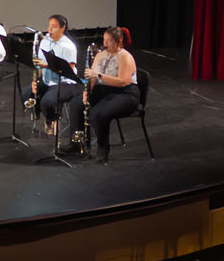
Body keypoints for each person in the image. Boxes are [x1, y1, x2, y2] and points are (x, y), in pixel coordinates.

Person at [82, 26, 142, 165]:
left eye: (108, 41)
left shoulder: (125, 57)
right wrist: (87, 91)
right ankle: (78, 144)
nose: (105, 44)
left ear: (118, 41)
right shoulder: (100, 54)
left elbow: (123, 82)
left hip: (126, 94)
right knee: (77, 104)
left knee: (98, 114)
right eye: (104, 40)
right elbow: (93, 78)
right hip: (107, 91)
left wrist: (97, 75)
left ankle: (103, 149)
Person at [33, 14, 83, 141]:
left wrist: (47, 65)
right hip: (48, 80)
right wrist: (35, 81)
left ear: (62, 28)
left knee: (47, 102)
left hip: (66, 83)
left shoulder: (68, 46)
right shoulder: (45, 41)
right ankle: (45, 114)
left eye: (54, 27)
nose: (49, 30)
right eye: (49, 26)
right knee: (27, 94)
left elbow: (69, 70)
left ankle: (52, 118)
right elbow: (39, 63)